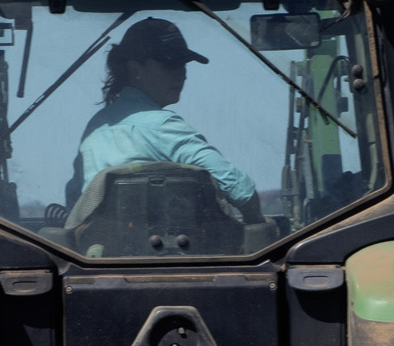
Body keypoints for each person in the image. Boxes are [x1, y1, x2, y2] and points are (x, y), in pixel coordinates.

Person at [69, 17, 265, 222]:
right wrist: (257, 221)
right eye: (169, 64)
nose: (181, 75)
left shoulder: (96, 127)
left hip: (97, 240)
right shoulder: (162, 126)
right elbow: (240, 191)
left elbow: (76, 200)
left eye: (183, 64)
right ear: (135, 69)